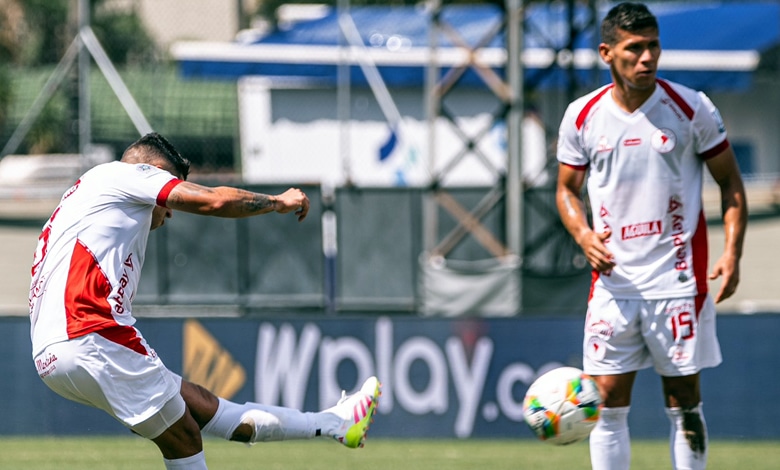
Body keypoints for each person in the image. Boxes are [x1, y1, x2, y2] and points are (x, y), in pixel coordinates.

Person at [29, 132, 381, 470]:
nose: (169, 212)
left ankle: (336, 422)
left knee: (200, 408)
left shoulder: (79, 202)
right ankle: (336, 422)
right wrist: (277, 202)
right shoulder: (126, 175)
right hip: (89, 333)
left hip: (50, 353)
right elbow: (214, 200)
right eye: (168, 197)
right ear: (154, 172)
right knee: (184, 438)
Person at [555, 3, 747, 470]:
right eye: (634, 48)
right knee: (605, 403)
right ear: (606, 53)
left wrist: (732, 253)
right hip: (614, 286)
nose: (647, 58)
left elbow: (731, 184)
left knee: (684, 401)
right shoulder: (582, 117)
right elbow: (565, 190)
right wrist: (582, 234)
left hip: (677, 284)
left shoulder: (691, 107)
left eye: (653, 46)